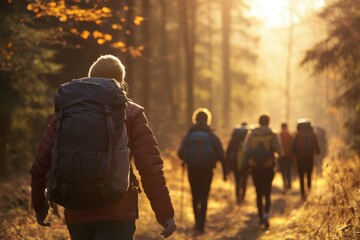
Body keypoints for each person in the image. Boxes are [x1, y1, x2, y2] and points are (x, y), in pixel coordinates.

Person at [30, 54, 176, 239]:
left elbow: (40, 165)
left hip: (76, 211)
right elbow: (150, 167)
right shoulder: (131, 112)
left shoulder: (67, 113)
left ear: (91, 79)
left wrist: (39, 206)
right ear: (121, 82)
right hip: (118, 210)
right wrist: (165, 214)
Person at [177, 108, 227, 234]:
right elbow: (221, 154)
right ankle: (201, 225)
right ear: (207, 120)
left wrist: (187, 158)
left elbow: (180, 153)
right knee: (204, 196)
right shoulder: (211, 135)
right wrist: (220, 167)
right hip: (207, 169)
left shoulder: (189, 134)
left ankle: (196, 222)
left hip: (192, 169)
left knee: (194, 195)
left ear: (195, 119)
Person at [243, 114, 282, 229]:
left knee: (258, 193)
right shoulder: (272, 134)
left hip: (255, 167)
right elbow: (279, 150)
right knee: (267, 192)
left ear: (259, 122)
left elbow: (246, 150)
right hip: (268, 167)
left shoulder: (252, 133)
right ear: (268, 122)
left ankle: (260, 217)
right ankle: (266, 215)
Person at [292, 119, 320, 200]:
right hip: (309, 158)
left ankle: (302, 193)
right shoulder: (312, 134)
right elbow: (318, 148)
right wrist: (316, 152)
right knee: (309, 175)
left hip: (300, 159)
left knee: (301, 176)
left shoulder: (297, 135)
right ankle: (309, 191)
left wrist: (296, 154)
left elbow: (293, 148)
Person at [226, 121, 249, 204]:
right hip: (246, 164)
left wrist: (227, 167)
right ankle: (242, 197)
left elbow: (228, 152)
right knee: (244, 181)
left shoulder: (233, 139)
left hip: (235, 163)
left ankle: (237, 198)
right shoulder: (248, 137)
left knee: (237, 180)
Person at [278, 122, 294, 193]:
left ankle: (284, 183)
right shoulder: (290, 135)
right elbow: (293, 145)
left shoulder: (279, 135)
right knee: (288, 170)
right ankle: (289, 184)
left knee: (282, 170)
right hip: (289, 155)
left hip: (281, 155)